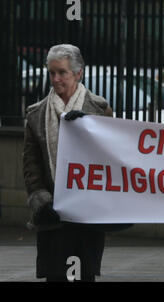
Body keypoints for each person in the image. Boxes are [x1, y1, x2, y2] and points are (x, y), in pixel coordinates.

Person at [23, 44, 113, 282]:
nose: (56, 79)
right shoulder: (36, 114)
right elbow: (31, 166)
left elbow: (111, 156)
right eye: (52, 73)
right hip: (53, 215)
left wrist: (90, 125)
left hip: (87, 215)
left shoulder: (99, 109)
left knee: (84, 276)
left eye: (62, 72)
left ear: (78, 73)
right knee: (56, 276)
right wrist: (41, 201)